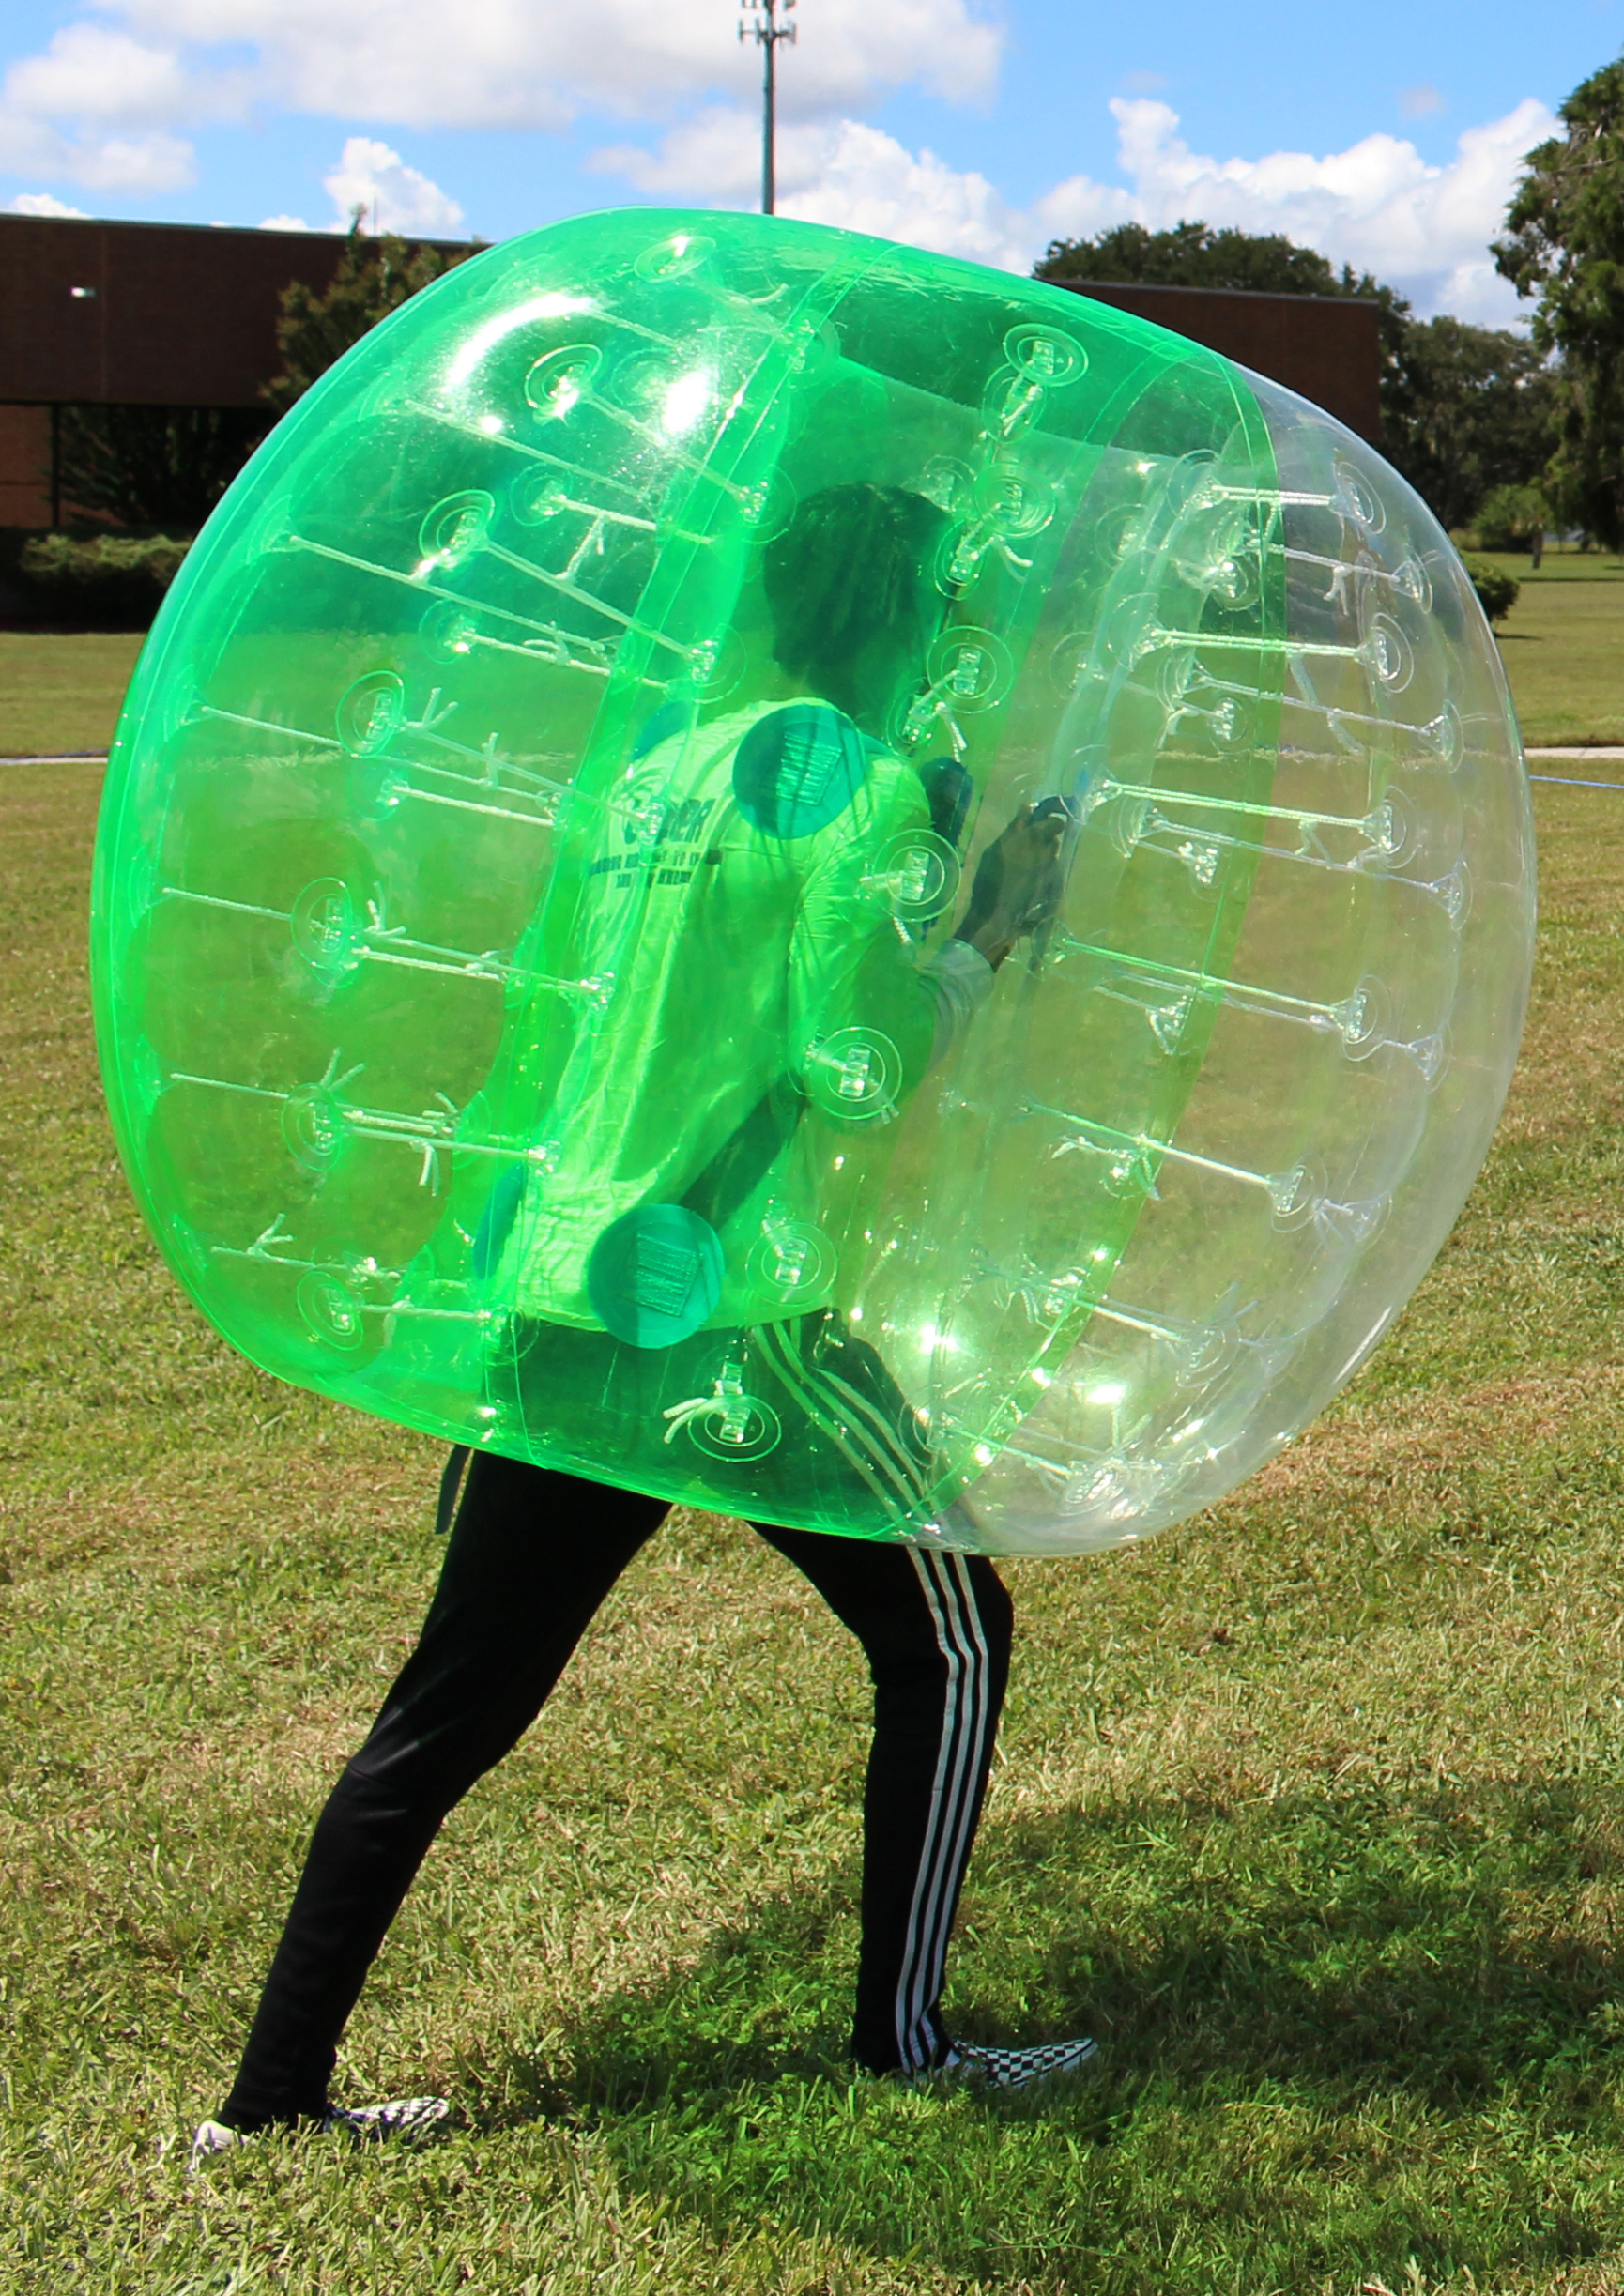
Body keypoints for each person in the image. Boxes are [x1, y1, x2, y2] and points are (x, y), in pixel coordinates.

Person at [197, 480, 1087, 2160]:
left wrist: (909, 850)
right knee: (953, 1634)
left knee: (447, 1710)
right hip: (719, 1304)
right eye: (946, 612)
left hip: (566, 1280)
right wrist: (982, 914)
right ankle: (905, 2047)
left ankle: (265, 2105)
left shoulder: (667, 769)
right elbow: (862, 1061)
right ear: (904, 616)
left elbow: (711, 980)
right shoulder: (867, 779)